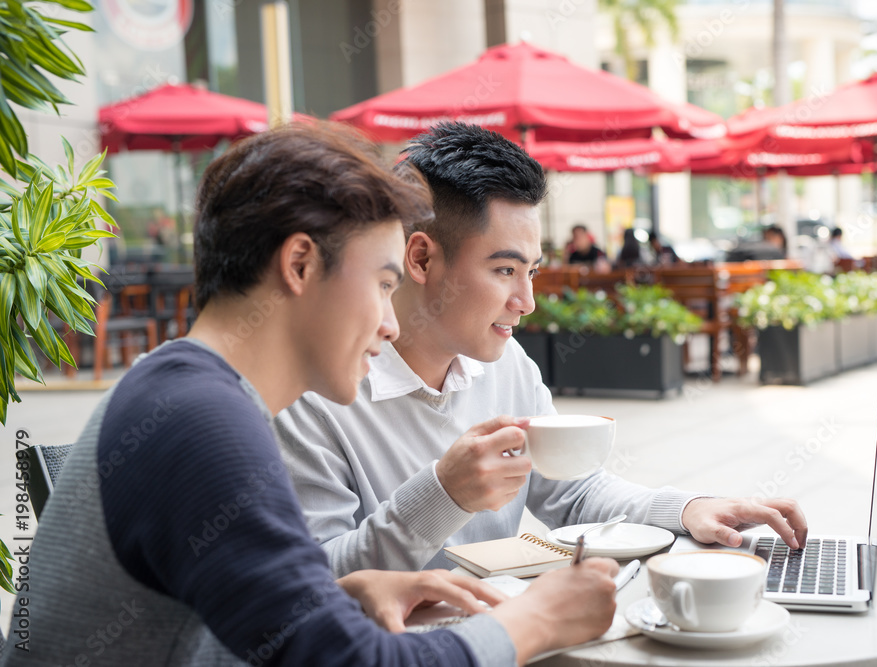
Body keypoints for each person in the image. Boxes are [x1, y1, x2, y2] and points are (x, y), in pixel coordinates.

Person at [0, 123, 620, 666]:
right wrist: (534, 621)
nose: (390, 321)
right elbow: (346, 661)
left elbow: (258, 619)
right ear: (299, 265)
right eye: (382, 282)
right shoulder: (198, 422)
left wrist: (340, 594)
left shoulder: (190, 393)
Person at [275, 122, 808, 577]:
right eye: (504, 270)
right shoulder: (316, 394)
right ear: (420, 259)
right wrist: (442, 496)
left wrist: (689, 509)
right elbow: (317, 581)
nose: (526, 302)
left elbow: (570, 493)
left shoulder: (506, 365)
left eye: (530, 271)